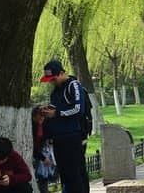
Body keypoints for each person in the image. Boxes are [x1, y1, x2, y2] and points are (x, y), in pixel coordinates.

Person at [40, 59, 90, 193]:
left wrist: (57, 113)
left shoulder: (73, 85)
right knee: (64, 175)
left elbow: (78, 109)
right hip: (58, 137)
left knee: (74, 174)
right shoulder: (55, 91)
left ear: (61, 73)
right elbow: (56, 107)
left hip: (71, 136)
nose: (52, 81)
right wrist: (48, 111)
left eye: (53, 78)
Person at [32, 106, 55, 193]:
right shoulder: (31, 125)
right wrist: (43, 158)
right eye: (40, 115)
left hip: (41, 151)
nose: (42, 118)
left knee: (43, 175)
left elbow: (49, 134)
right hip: (35, 153)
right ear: (34, 116)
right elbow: (33, 146)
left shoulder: (44, 123)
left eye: (43, 116)